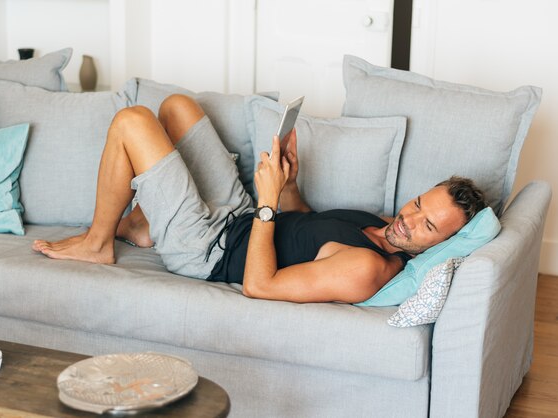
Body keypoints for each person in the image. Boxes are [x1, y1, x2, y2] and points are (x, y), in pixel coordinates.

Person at [33, 94, 487, 304]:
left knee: (132, 120)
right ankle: (142, 225)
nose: (409, 219)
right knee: (177, 107)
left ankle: (99, 243)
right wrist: (288, 184)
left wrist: (267, 202)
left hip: (207, 251)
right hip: (239, 217)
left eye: (427, 226)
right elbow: (306, 226)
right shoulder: (382, 224)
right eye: (418, 204)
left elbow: (260, 286)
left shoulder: (368, 268)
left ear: (439, 245)